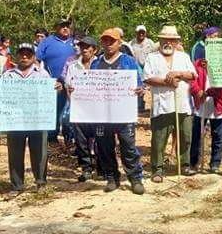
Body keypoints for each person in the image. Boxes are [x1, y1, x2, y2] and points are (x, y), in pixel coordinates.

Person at [85, 30, 145, 194]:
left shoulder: (129, 62)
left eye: (112, 41)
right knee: (104, 147)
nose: (108, 44)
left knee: (128, 146)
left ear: (120, 43)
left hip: (124, 114)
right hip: (102, 115)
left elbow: (139, 82)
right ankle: (112, 177)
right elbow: (89, 86)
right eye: (105, 41)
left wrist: (140, 89)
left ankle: (135, 178)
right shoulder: (96, 64)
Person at [2, 43, 61, 195]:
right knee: (15, 153)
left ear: (34, 57)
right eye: (22, 53)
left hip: (38, 119)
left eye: (28, 54)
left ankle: (40, 183)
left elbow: (51, 93)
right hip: (15, 120)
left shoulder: (42, 74)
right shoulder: (8, 75)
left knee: (40, 152)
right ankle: (17, 185)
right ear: (17, 56)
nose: (25, 56)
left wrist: (57, 89)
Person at [143, 25, 196, 182]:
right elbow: (147, 77)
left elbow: (193, 74)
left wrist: (178, 73)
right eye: (165, 39)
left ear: (176, 41)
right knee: (159, 139)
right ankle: (157, 169)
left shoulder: (183, 57)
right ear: (159, 40)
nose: (168, 43)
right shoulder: (152, 58)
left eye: (171, 40)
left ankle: (184, 165)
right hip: (162, 105)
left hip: (183, 104)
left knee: (185, 136)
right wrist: (166, 82)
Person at [62, 36, 99, 182]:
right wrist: (72, 97)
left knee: (100, 138)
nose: (84, 49)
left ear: (94, 49)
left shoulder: (101, 65)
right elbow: (68, 87)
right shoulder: (73, 66)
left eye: (88, 47)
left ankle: (101, 166)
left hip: (98, 109)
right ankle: (86, 168)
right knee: (81, 140)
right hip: (79, 109)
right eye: (82, 46)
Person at [35, 19, 77, 143]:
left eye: (67, 26)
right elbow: (36, 60)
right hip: (53, 84)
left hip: (73, 84)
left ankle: (70, 138)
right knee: (54, 111)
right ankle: (52, 138)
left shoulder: (75, 42)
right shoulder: (46, 42)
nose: (65, 28)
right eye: (62, 26)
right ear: (56, 28)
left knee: (71, 112)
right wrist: (43, 77)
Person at [190, 54, 222, 173]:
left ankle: (215, 163)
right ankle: (193, 162)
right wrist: (198, 91)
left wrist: (208, 92)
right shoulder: (197, 64)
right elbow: (192, 81)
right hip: (201, 104)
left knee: (217, 136)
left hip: (218, 104)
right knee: (196, 135)